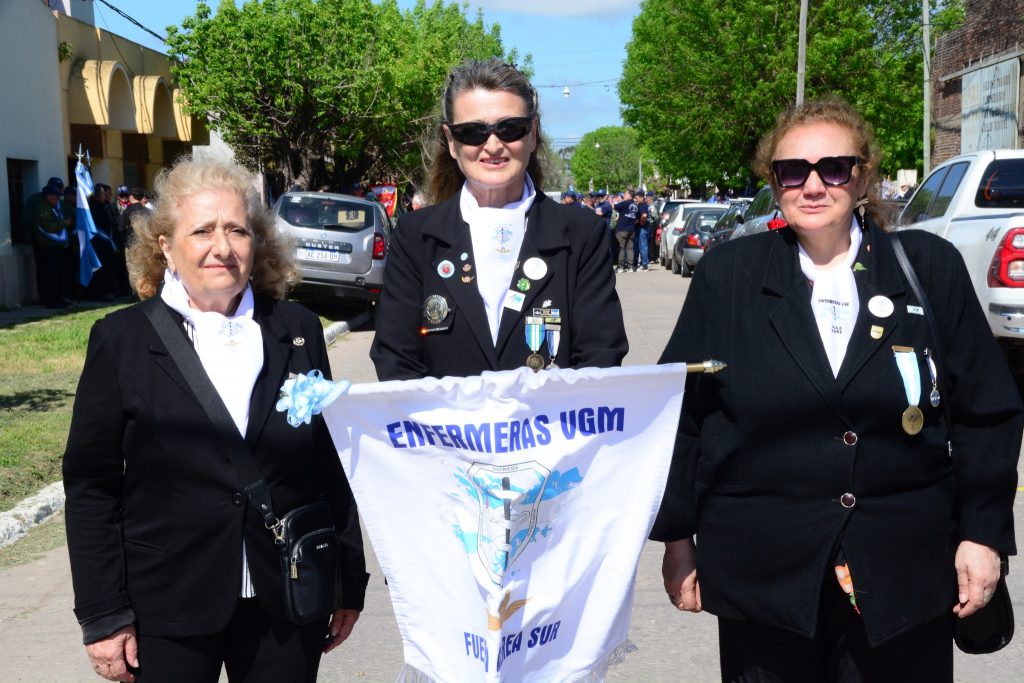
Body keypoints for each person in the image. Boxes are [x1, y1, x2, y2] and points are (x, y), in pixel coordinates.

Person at [654, 95, 1023, 682]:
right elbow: (680, 416)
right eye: (792, 171)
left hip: (904, 571)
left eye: (833, 168)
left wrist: (982, 536)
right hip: (766, 575)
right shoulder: (730, 275)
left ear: (863, 173)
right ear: (773, 181)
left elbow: (986, 412)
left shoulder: (928, 266)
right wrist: (676, 538)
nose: (813, 185)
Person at [63, 158, 368, 683]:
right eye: (201, 230)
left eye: (237, 230)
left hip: (287, 596)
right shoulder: (121, 341)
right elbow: (92, 487)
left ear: (258, 243)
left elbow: (329, 462)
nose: (221, 247)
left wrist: (345, 577)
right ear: (165, 247)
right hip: (168, 604)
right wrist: (102, 614)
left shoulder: (295, 329)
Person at [371, 58, 627, 380]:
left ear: (533, 134)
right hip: (446, 430)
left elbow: (600, 358)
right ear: (451, 141)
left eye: (510, 129)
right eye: (472, 132)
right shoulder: (415, 237)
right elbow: (396, 362)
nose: (492, 145)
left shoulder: (582, 234)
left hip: (551, 429)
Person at [613, 190, 640, 272]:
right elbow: (637, 219)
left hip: (622, 229)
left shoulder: (625, 203)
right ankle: (630, 266)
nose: (624, 196)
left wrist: (613, 201)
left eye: (625, 194)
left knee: (621, 248)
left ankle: (620, 266)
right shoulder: (635, 205)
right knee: (630, 248)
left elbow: (615, 207)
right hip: (632, 229)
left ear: (629, 195)